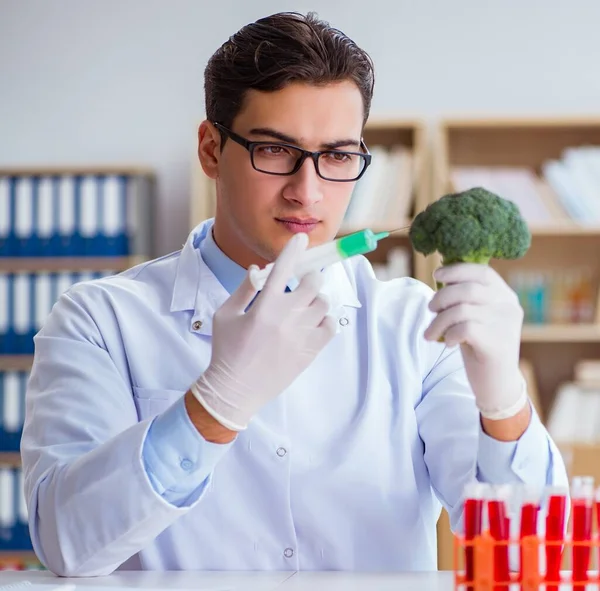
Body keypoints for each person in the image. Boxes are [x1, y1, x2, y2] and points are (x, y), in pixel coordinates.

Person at [21, 11, 567, 577]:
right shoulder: (99, 321)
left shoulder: (414, 326)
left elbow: (531, 557)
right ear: (210, 149)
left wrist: (505, 405)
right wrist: (213, 406)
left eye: (336, 156)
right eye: (276, 150)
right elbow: (67, 546)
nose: (307, 192)